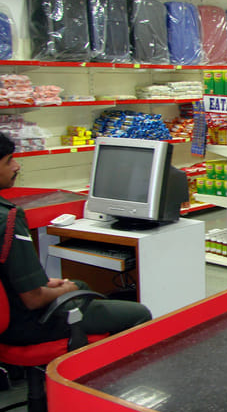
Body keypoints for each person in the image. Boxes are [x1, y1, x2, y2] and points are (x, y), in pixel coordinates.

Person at [0, 132, 152, 345]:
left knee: (80, 284)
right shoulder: (9, 219)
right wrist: (67, 289)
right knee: (138, 313)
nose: (16, 166)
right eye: (9, 161)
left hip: (11, 309)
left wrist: (48, 284)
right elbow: (33, 299)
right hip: (24, 324)